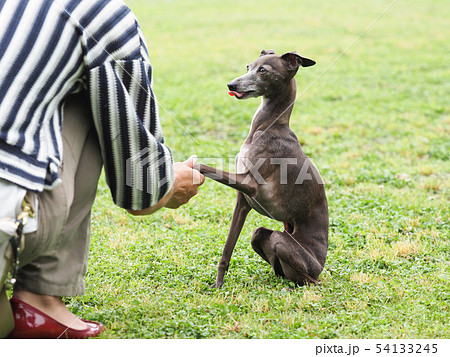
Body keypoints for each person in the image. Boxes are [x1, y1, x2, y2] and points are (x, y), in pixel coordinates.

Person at [0, 0, 204, 338]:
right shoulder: (101, 11)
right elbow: (142, 193)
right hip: (10, 218)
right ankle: (41, 293)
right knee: (98, 89)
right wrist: (168, 181)